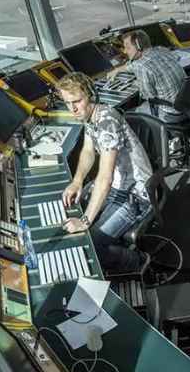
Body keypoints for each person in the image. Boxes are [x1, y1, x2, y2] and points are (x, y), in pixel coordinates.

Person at [57, 72, 153, 276]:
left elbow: (105, 177)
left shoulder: (106, 122)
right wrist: (77, 181)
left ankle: (139, 262)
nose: (72, 109)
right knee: (74, 210)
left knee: (92, 245)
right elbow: (88, 151)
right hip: (117, 187)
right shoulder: (90, 116)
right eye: (67, 103)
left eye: (77, 101)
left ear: (90, 96)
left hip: (135, 194)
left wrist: (84, 222)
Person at [107, 29, 186, 123]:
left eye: (128, 47)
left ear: (139, 47)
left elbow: (148, 96)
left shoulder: (141, 66)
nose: (125, 52)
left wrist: (137, 83)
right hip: (188, 105)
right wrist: (117, 70)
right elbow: (133, 65)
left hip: (171, 112)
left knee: (126, 115)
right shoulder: (162, 50)